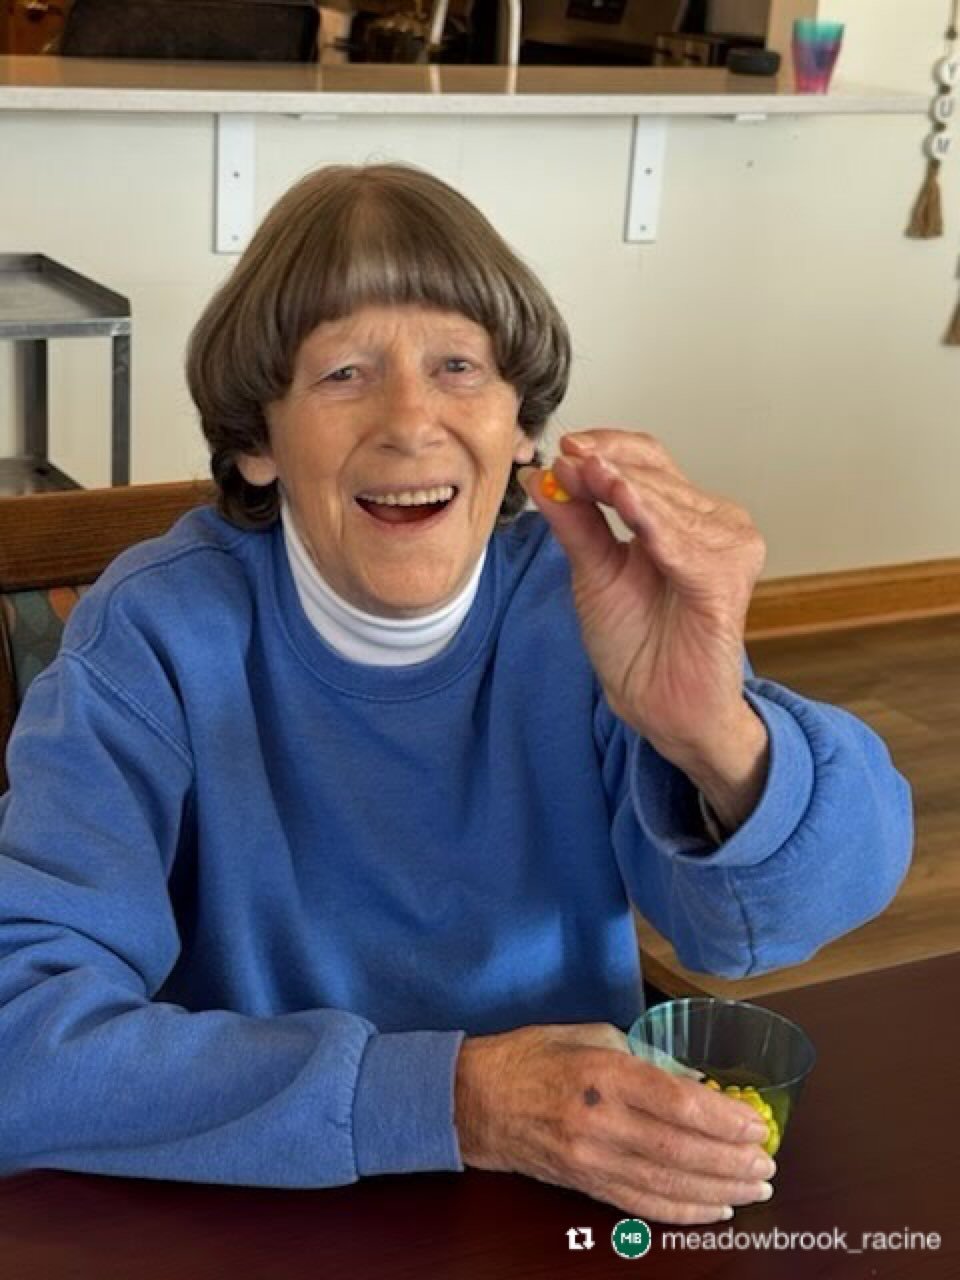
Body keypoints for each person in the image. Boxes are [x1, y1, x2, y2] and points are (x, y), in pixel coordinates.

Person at [0, 164, 911, 1226]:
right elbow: (23, 1041)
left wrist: (713, 729)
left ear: (521, 424)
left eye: (458, 366)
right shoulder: (153, 633)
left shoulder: (587, 606)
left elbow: (791, 917)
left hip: (564, 1200)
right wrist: (459, 1099)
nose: (411, 421)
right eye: (344, 372)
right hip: (260, 1200)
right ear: (257, 441)